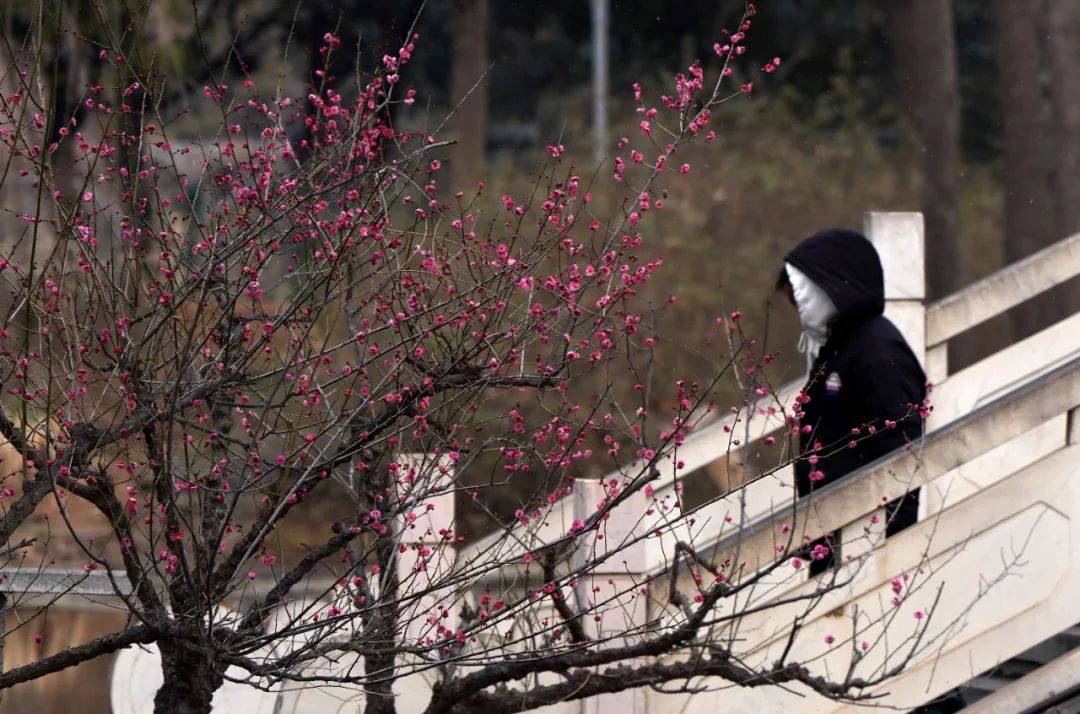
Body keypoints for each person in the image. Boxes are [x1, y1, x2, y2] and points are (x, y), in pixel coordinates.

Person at [777, 228, 926, 573]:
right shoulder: (838, 349)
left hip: (866, 545)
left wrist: (892, 547)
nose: (799, 313)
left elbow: (901, 449)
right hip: (835, 536)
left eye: (802, 299)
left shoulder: (877, 350)